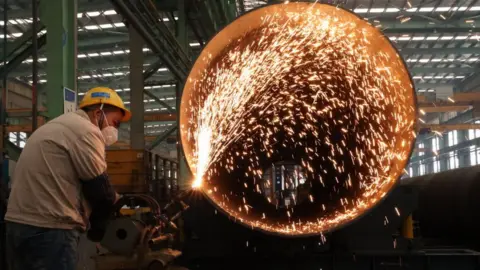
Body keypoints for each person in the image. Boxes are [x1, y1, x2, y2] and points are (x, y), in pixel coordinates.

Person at [4, 87, 131, 270]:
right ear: (98, 113)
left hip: (17, 226)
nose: (115, 130)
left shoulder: (58, 125)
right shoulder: (86, 131)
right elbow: (101, 191)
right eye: (115, 122)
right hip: (50, 230)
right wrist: (99, 229)